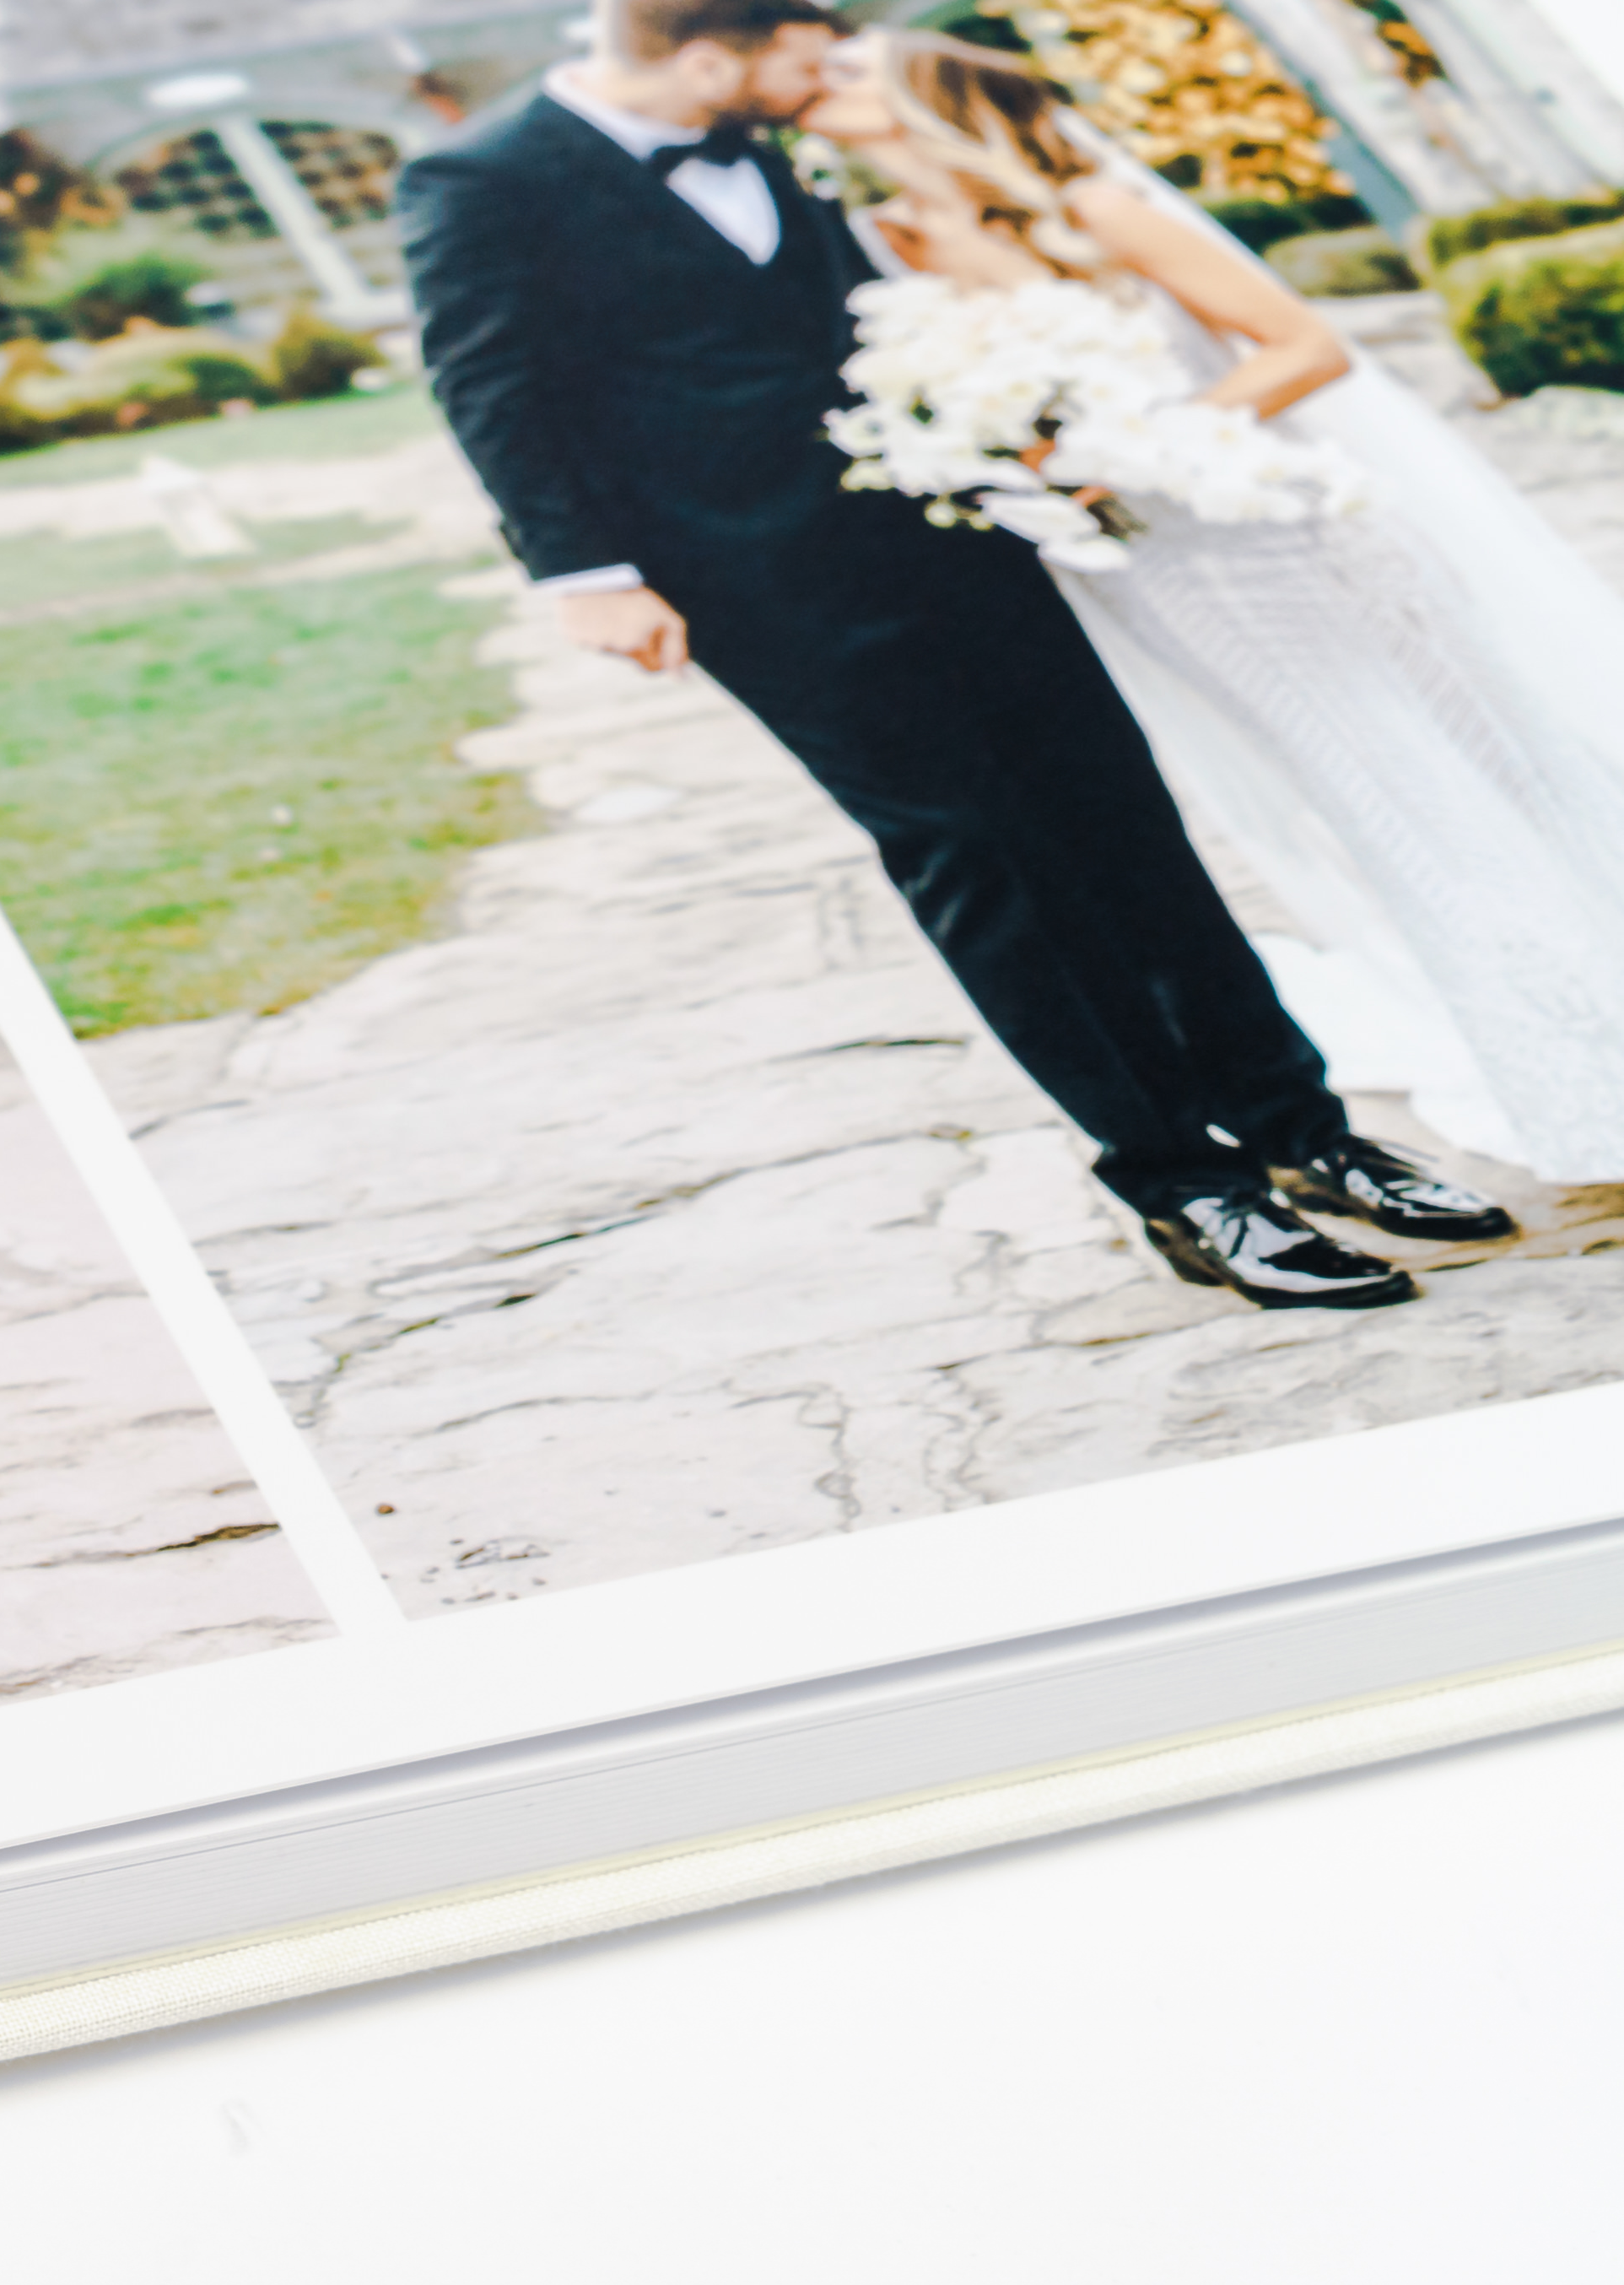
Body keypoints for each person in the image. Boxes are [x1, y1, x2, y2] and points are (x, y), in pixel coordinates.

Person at [397, 0, 1512, 1310]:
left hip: (961, 531)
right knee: (979, 858)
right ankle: (1181, 1182)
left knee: (1126, 823)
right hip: (759, 586)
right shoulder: (480, 178)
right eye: (802, 54)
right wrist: (584, 575)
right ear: (709, 54)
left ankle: (1305, 1133)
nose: (823, 80)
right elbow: (487, 382)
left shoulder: (776, 138)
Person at [805, 25, 1624, 1182]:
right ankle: (1562, 1049)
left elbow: (1303, 348)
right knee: (1358, 788)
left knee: (1479, 764)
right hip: (1149, 569)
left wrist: (1133, 440)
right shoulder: (881, 240)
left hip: (1273, 526)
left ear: (920, 99)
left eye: (847, 69)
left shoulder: (1090, 204)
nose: (813, 85)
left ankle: (1594, 1048)